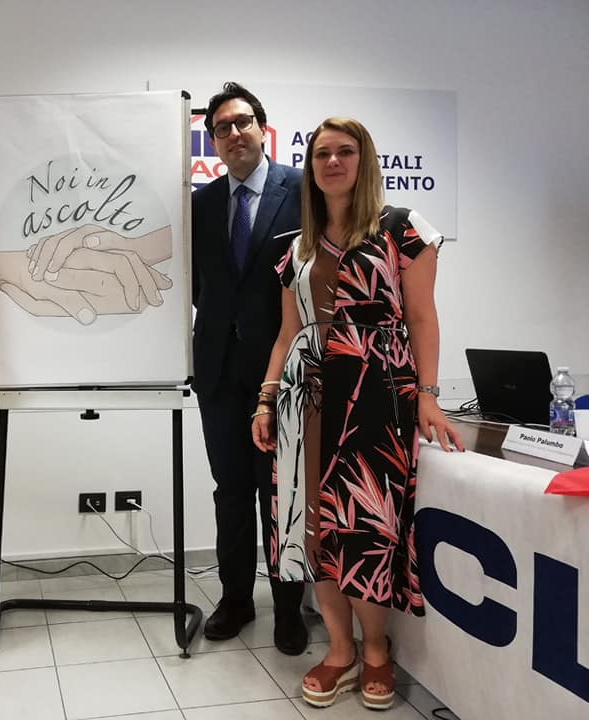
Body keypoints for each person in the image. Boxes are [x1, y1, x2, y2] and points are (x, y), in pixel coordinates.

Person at [252, 117, 464, 710]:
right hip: (305, 401)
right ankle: (339, 650)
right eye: (322, 153)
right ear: (311, 166)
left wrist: (427, 394)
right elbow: (287, 333)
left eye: (345, 151)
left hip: (375, 396)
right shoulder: (297, 246)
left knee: (365, 527)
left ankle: (376, 650)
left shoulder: (402, 229)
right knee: (314, 529)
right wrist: (266, 398)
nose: (332, 162)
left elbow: (421, 317)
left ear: (364, 160)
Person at [191, 82, 308, 651]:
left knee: (281, 492)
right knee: (231, 490)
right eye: (222, 128)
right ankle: (236, 599)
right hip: (217, 373)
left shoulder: (303, 191)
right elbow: (199, 286)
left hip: (281, 372)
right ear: (213, 141)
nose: (233, 134)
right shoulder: (201, 203)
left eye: (242, 123)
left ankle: (288, 608)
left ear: (263, 129)